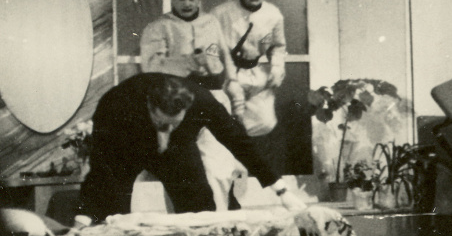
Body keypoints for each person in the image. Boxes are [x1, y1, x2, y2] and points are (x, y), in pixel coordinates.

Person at [76, 73, 306, 224]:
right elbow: (101, 166)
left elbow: (239, 142)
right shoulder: (116, 104)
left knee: (200, 209)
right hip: (130, 144)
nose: (166, 130)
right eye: (162, 123)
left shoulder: (203, 102)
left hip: (179, 147)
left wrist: (282, 191)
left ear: (187, 109)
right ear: (149, 105)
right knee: (113, 216)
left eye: (173, 123)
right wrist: (85, 216)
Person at [139, 0, 244, 211]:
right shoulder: (158, 27)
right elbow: (151, 67)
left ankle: (219, 219)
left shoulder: (211, 22)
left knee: (220, 164)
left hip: (212, 97)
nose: (186, 3)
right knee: (183, 172)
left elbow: (224, 56)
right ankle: (187, 223)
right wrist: (188, 62)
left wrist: (232, 82)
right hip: (177, 104)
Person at [212, 0, 286, 138]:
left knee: (265, 122)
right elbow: (209, 46)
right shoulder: (220, 13)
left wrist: (277, 67)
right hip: (226, 75)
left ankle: (235, 141)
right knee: (221, 121)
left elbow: (278, 46)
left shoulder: (273, 14)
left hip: (255, 75)